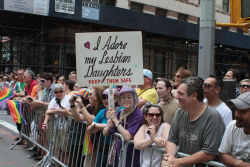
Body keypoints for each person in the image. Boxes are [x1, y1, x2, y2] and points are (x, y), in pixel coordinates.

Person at [161, 77, 225, 167]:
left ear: (194, 96)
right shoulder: (180, 112)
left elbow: (209, 153)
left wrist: (178, 162)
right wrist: (170, 158)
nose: (176, 96)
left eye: (180, 94)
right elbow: (172, 140)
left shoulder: (213, 117)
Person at [103, 85, 143, 167]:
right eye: (123, 98)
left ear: (134, 99)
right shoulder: (120, 112)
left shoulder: (139, 114)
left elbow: (128, 137)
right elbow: (105, 132)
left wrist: (115, 120)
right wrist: (108, 126)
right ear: (120, 100)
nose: (126, 100)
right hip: (119, 153)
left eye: (129, 97)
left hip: (133, 155)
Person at [219, 92, 250, 166]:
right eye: (236, 110)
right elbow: (223, 154)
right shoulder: (232, 125)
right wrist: (240, 164)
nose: (236, 115)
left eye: (242, 112)